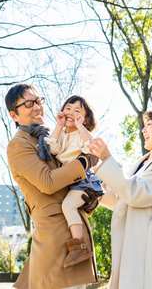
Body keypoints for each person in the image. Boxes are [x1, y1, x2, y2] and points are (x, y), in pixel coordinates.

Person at [5, 83, 99, 289]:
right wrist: (85, 162)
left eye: (39, 101)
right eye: (28, 103)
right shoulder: (18, 145)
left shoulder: (47, 138)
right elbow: (48, 183)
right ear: (14, 115)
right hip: (54, 240)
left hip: (70, 236)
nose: (37, 107)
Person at [88, 107, 152, 289]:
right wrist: (98, 192)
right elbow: (124, 200)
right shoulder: (144, 163)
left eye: (149, 124)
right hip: (135, 247)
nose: (143, 130)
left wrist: (108, 159)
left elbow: (134, 194)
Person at [45, 95, 104, 268]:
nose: (71, 112)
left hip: (82, 181)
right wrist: (58, 125)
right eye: (68, 108)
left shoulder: (81, 134)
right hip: (67, 181)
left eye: (77, 111)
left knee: (68, 206)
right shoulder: (61, 134)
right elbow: (51, 148)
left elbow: (91, 146)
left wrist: (79, 126)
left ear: (85, 119)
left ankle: (78, 246)